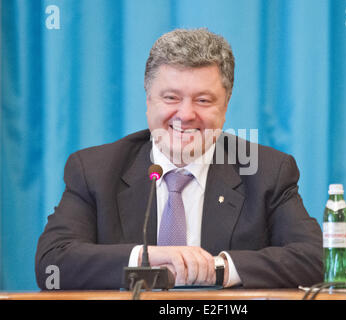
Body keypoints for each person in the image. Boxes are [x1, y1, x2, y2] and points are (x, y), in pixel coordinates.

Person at [35, 28, 323, 290]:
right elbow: (52, 264)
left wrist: (217, 269)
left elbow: (316, 259)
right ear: (148, 101)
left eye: (203, 100)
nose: (185, 115)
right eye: (171, 98)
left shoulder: (265, 170)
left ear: (225, 107)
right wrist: (147, 259)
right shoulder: (96, 170)